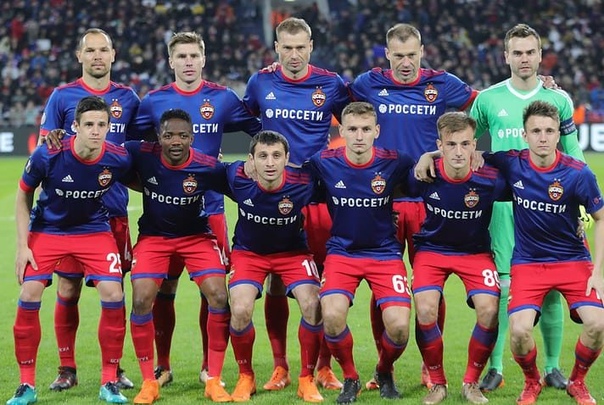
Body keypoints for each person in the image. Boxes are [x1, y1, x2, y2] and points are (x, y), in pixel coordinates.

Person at [348, 22, 478, 390]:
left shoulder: (443, 83)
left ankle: (429, 365)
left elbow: (483, 105)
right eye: (399, 56)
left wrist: (536, 87)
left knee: (429, 288)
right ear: (387, 55)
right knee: (382, 288)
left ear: (422, 52)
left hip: (428, 201)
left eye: (412, 55)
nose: (406, 63)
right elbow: (333, 101)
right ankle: (383, 366)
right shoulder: (368, 83)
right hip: (382, 202)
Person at [132, 31, 261, 386]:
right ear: (170, 61)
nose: (188, 62)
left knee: (213, 291)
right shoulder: (154, 101)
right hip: (165, 214)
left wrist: (253, 162)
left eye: (194, 56)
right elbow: (133, 145)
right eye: (181, 56)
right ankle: (163, 365)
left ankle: (208, 366)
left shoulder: (223, 98)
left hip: (210, 211)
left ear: (203, 59)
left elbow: (259, 130)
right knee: (164, 289)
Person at [469, 24, 585, 392]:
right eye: (517, 52)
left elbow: (573, 152)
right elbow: (469, 144)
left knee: (550, 288)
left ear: (539, 56)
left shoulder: (558, 99)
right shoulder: (488, 99)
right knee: (502, 289)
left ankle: (551, 368)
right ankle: (496, 368)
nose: (524, 58)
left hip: (551, 207)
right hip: (504, 209)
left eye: (530, 52)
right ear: (506, 56)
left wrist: (581, 205)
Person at [243, 17, 350, 391]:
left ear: (311, 46)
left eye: (300, 47)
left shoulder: (331, 84)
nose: (293, 54)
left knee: (321, 285)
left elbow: (357, 120)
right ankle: (280, 366)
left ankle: (322, 366)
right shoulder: (261, 82)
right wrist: (256, 157)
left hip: (318, 197)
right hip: (274, 196)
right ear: (276, 48)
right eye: (286, 47)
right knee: (275, 281)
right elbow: (243, 118)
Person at [8, 96, 132, 405]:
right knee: (29, 293)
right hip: (48, 229)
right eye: (89, 124)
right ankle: (26, 385)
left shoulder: (117, 158)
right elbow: (23, 195)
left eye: (101, 124)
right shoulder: (48, 154)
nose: (95, 130)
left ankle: (109, 381)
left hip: (93, 230)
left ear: (109, 127)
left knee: (113, 293)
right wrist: (22, 247)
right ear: (75, 126)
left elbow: (147, 179)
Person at [482, 100, 604, 405]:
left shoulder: (578, 173)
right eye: (536, 131)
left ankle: (577, 382)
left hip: (573, 260)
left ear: (558, 135)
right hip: (529, 262)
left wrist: (599, 273)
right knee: (519, 331)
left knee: (598, 324)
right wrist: (430, 156)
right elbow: (469, 152)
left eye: (549, 131)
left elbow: (601, 218)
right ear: (524, 135)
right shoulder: (512, 163)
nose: (543, 137)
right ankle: (531, 381)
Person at [37, 27, 138, 391]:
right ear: (80, 56)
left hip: (113, 211)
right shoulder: (62, 97)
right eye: (90, 50)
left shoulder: (128, 98)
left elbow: (137, 150)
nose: (97, 56)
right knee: (68, 290)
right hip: (71, 215)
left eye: (103, 50)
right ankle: (67, 368)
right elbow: (46, 149)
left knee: (115, 293)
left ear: (113, 55)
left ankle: (115, 367)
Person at [307, 101, 415, 403]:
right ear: (341, 131)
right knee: (331, 316)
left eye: (366, 129)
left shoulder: (396, 161)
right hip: (342, 253)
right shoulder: (323, 161)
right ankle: (351, 377)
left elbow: (422, 174)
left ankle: (383, 370)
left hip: (384, 254)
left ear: (376, 131)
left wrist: (433, 156)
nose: (359, 136)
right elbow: (292, 178)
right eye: (352, 129)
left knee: (399, 329)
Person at [125, 109, 232, 403]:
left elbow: (241, 186)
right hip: (154, 238)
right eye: (169, 135)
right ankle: (150, 381)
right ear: (158, 137)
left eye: (183, 136)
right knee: (141, 298)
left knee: (218, 296)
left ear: (192, 138)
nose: (176, 141)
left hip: (197, 237)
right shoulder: (141, 153)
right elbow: (108, 158)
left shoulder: (208, 166)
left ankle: (213, 378)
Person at [409, 112, 508, 405]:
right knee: (425, 308)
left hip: (475, 252)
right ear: (439, 145)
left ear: (474, 145)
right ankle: (437, 384)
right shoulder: (425, 173)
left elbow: (532, 189)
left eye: (465, 144)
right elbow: (389, 190)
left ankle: (471, 383)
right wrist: (426, 157)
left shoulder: (491, 178)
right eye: (451, 144)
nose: (458, 152)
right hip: (432, 250)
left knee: (489, 309)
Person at [226, 130, 323, 403]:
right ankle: (246, 377)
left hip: (293, 253)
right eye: (263, 156)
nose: (270, 163)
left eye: (276, 156)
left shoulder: (304, 181)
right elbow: (201, 173)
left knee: (313, 305)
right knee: (240, 309)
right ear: (251, 160)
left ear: (287, 159)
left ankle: (306, 378)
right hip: (249, 253)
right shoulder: (235, 177)